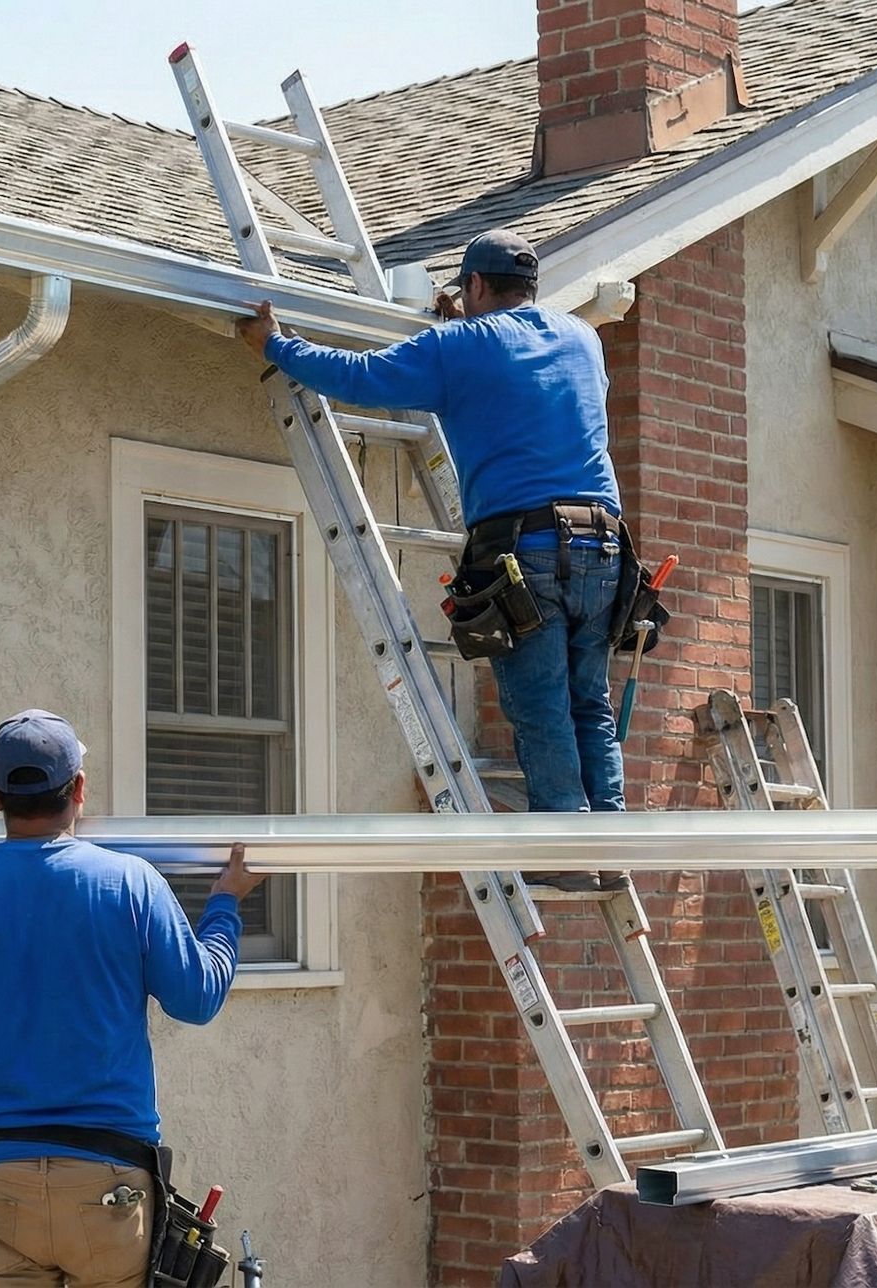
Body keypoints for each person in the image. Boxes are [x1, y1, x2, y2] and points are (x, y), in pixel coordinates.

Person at [236, 228, 628, 891]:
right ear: (530, 289)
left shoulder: (459, 346)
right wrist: (464, 335)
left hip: (525, 548)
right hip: (605, 548)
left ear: (473, 287)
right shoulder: (582, 340)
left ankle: (564, 849)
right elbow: (520, 377)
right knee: (588, 702)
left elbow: (359, 377)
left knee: (540, 707)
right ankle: (614, 848)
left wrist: (275, 345)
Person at [0, 708, 264, 1287]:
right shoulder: (130, 883)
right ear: (80, 789)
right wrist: (224, 903)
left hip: (1, 1180)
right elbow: (197, 997)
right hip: (109, 1183)